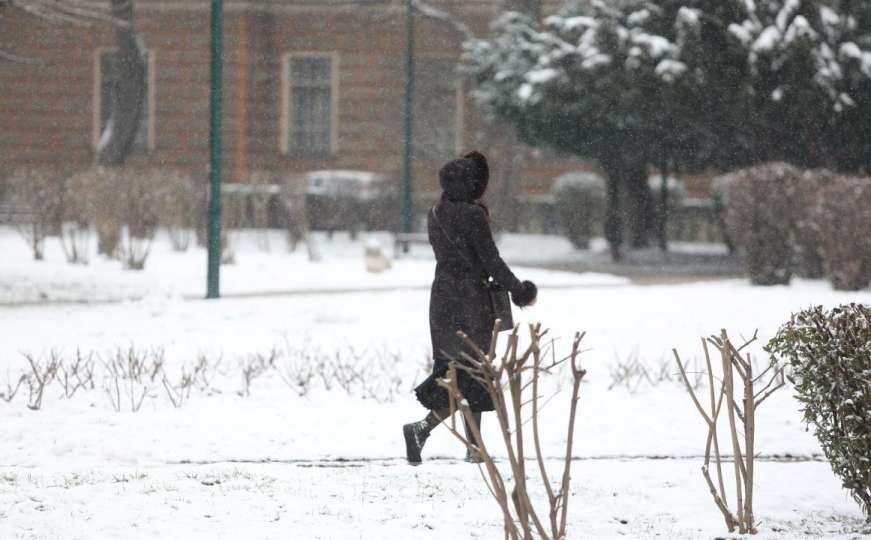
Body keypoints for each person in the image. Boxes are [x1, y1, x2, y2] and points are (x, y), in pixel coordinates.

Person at [403, 151, 538, 465]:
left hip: (442, 298)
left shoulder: (435, 212)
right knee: (472, 372)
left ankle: (474, 448)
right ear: (472, 184)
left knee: (460, 372)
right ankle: (423, 428)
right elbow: (491, 260)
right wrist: (520, 291)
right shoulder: (473, 215)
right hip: (470, 299)